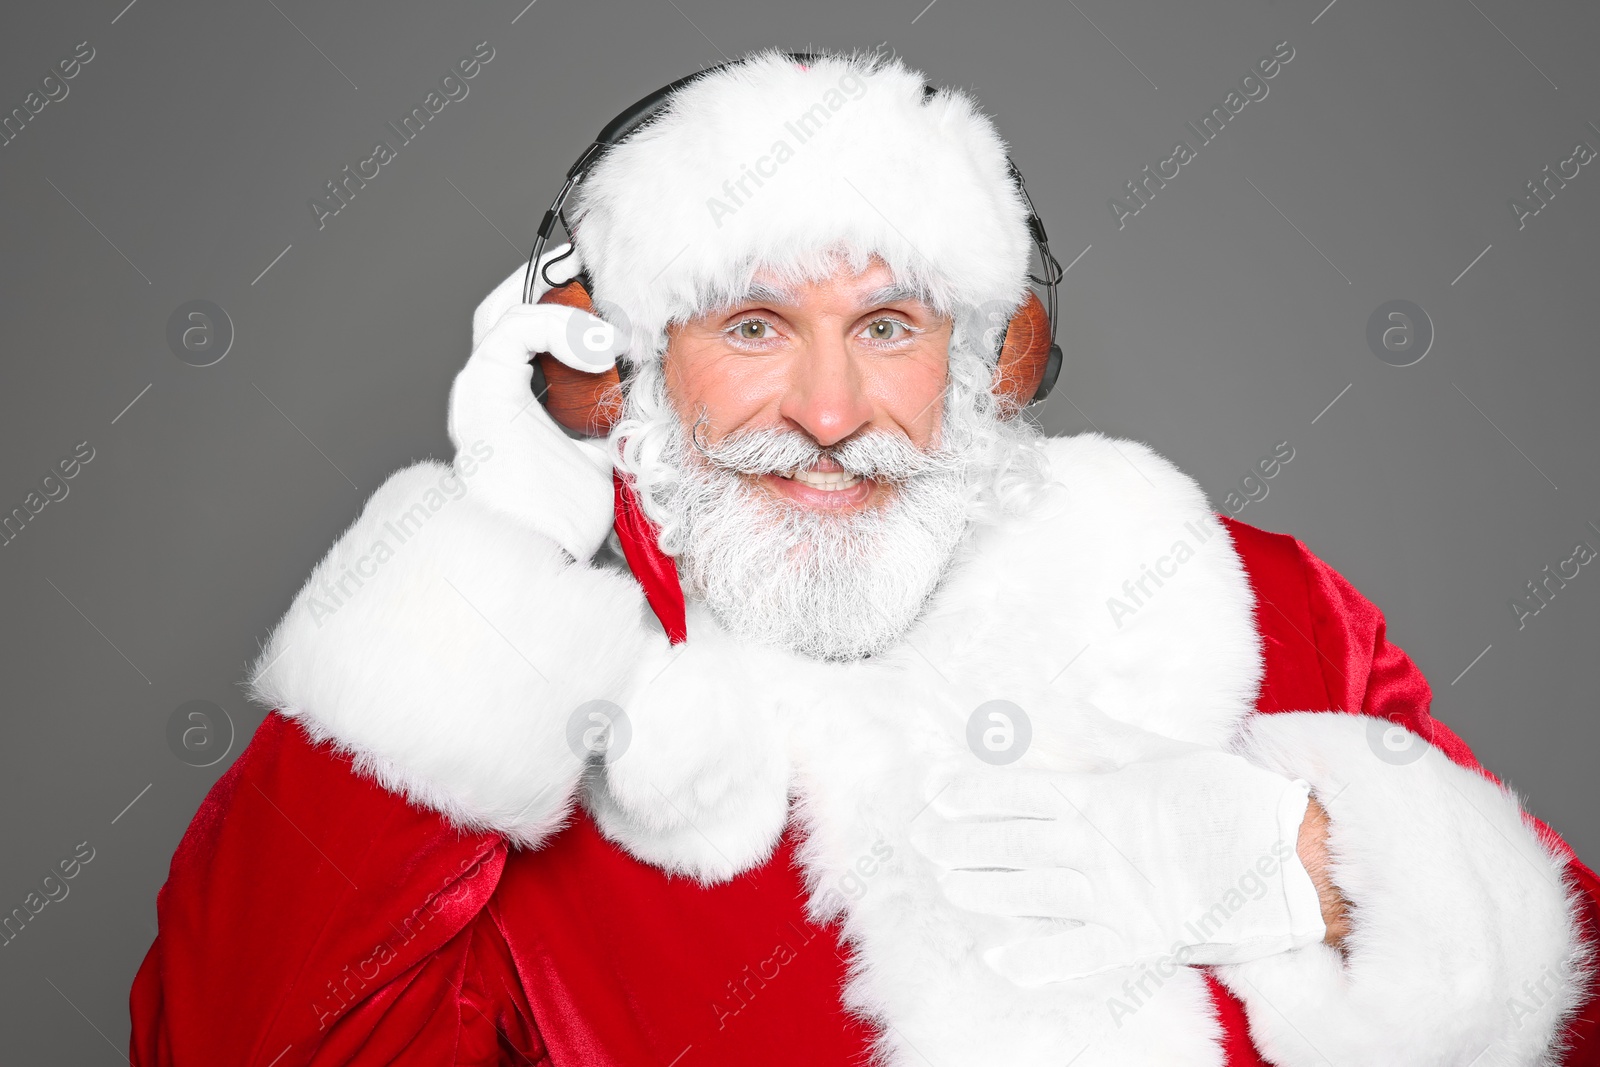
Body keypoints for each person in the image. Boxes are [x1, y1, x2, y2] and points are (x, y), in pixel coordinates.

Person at [129, 49, 1600, 1066]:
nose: (831, 416)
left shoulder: (1245, 600)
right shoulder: (532, 733)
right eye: (754, 327)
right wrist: (500, 533)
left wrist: (1316, 873)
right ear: (612, 362)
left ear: (990, 355)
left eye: (889, 328)